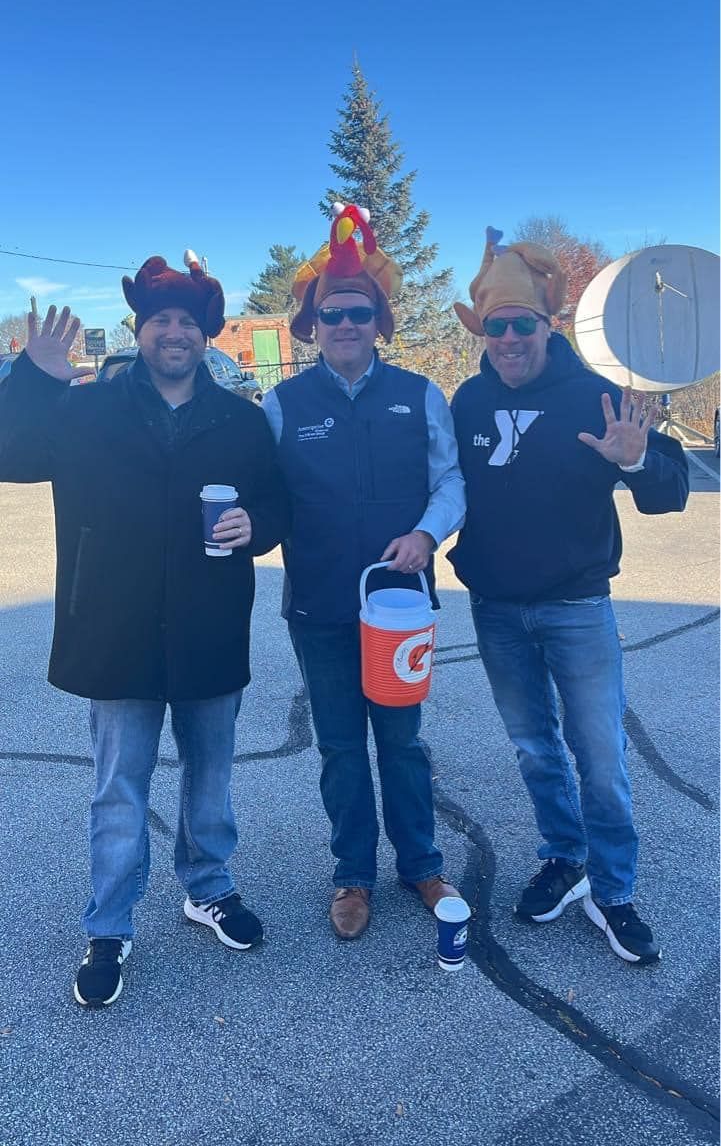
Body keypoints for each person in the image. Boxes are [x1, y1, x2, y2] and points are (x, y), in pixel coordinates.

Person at [0, 253, 289, 1006]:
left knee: (212, 777)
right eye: (160, 319)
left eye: (187, 322)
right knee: (119, 788)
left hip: (208, 624)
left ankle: (207, 888)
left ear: (206, 336)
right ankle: (109, 925)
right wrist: (31, 376)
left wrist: (256, 524)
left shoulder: (241, 419)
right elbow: (8, 453)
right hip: (114, 623)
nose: (173, 332)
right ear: (140, 329)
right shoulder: (85, 407)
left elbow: (277, 503)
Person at [226, 203, 465, 940]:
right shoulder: (281, 404)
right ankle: (352, 877)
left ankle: (421, 865)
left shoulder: (419, 395)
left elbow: (451, 481)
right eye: (332, 314)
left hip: (397, 607)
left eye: (359, 312)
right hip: (322, 606)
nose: (346, 325)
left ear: (378, 320)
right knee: (338, 746)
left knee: (401, 741)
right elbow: (259, 494)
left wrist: (427, 534)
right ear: (312, 324)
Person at [450, 226, 689, 964]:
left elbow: (670, 495)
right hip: (494, 608)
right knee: (533, 750)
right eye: (497, 325)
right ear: (481, 331)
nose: (511, 337)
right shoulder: (465, 401)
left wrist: (640, 457)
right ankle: (564, 857)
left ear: (548, 324)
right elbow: (436, 486)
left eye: (525, 322)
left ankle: (614, 891)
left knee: (599, 753)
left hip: (577, 606)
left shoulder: (598, 395)